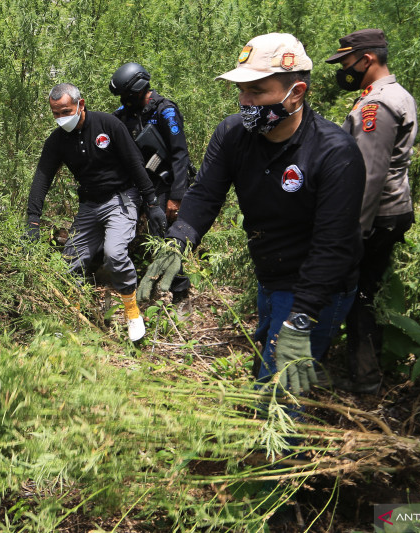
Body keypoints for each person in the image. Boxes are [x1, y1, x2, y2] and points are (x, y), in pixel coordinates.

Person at [138, 33, 366, 395]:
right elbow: (206, 194)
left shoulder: (334, 152)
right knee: (268, 362)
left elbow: (333, 245)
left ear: (297, 92)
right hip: (270, 274)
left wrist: (302, 317)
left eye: (257, 92)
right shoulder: (233, 134)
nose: (245, 101)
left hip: (318, 284)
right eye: (242, 91)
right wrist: (179, 239)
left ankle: (283, 448)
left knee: (281, 390)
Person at [26, 83, 166, 343]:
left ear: (81, 104)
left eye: (65, 111)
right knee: (69, 263)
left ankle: (132, 313)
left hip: (120, 198)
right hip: (89, 205)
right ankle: (71, 320)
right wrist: (32, 219)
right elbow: (41, 178)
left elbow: (135, 164)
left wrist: (152, 203)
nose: (61, 118)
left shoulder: (107, 125)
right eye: (55, 113)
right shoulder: (57, 141)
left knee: (114, 253)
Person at [325, 29, 418, 393]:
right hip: (390, 210)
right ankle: (363, 372)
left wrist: (354, 232)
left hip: (376, 215)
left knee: (358, 293)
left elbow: (369, 174)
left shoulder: (376, 106)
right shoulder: (394, 95)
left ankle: (364, 378)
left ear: (367, 60)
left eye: (347, 62)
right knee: (366, 290)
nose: (344, 70)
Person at [110, 62, 194, 299]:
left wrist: (176, 198)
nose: (123, 100)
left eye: (126, 95)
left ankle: (178, 290)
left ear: (138, 90)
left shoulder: (165, 110)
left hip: (167, 183)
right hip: (141, 184)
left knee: (165, 236)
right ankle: (134, 281)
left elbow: (180, 154)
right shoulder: (124, 115)